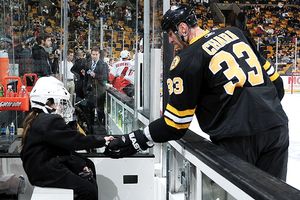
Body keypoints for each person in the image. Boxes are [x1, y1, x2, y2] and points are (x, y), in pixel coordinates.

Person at [105, 5, 289, 181]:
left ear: (183, 28)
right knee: (272, 192)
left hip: (237, 138)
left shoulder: (186, 60)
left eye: (170, 34)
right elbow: (277, 84)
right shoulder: (235, 33)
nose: (170, 41)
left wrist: (135, 139)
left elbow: (174, 125)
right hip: (276, 127)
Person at [20, 76, 114, 200]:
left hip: (40, 167)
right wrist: (102, 140)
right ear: (47, 102)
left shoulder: (38, 118)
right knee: (88, 190)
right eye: (59, 102)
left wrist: (78, 163)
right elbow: (75, 141)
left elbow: (58, 146)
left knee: (88, 164)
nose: (62, 107)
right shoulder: (49, 121)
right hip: (44, 171)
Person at [85, 47, 108, 127]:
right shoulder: (88, 63)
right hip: (90, 91)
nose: (94, 56)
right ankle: (90, 126)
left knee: (100, 110)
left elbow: (105, 77)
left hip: (100, 91)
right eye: (93, 54)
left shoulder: (103, 64)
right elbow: (86, 77)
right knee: (90, 109)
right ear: (91, 54)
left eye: (96, 54)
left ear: (99, 54)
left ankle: (101, 126)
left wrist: (95, 75)